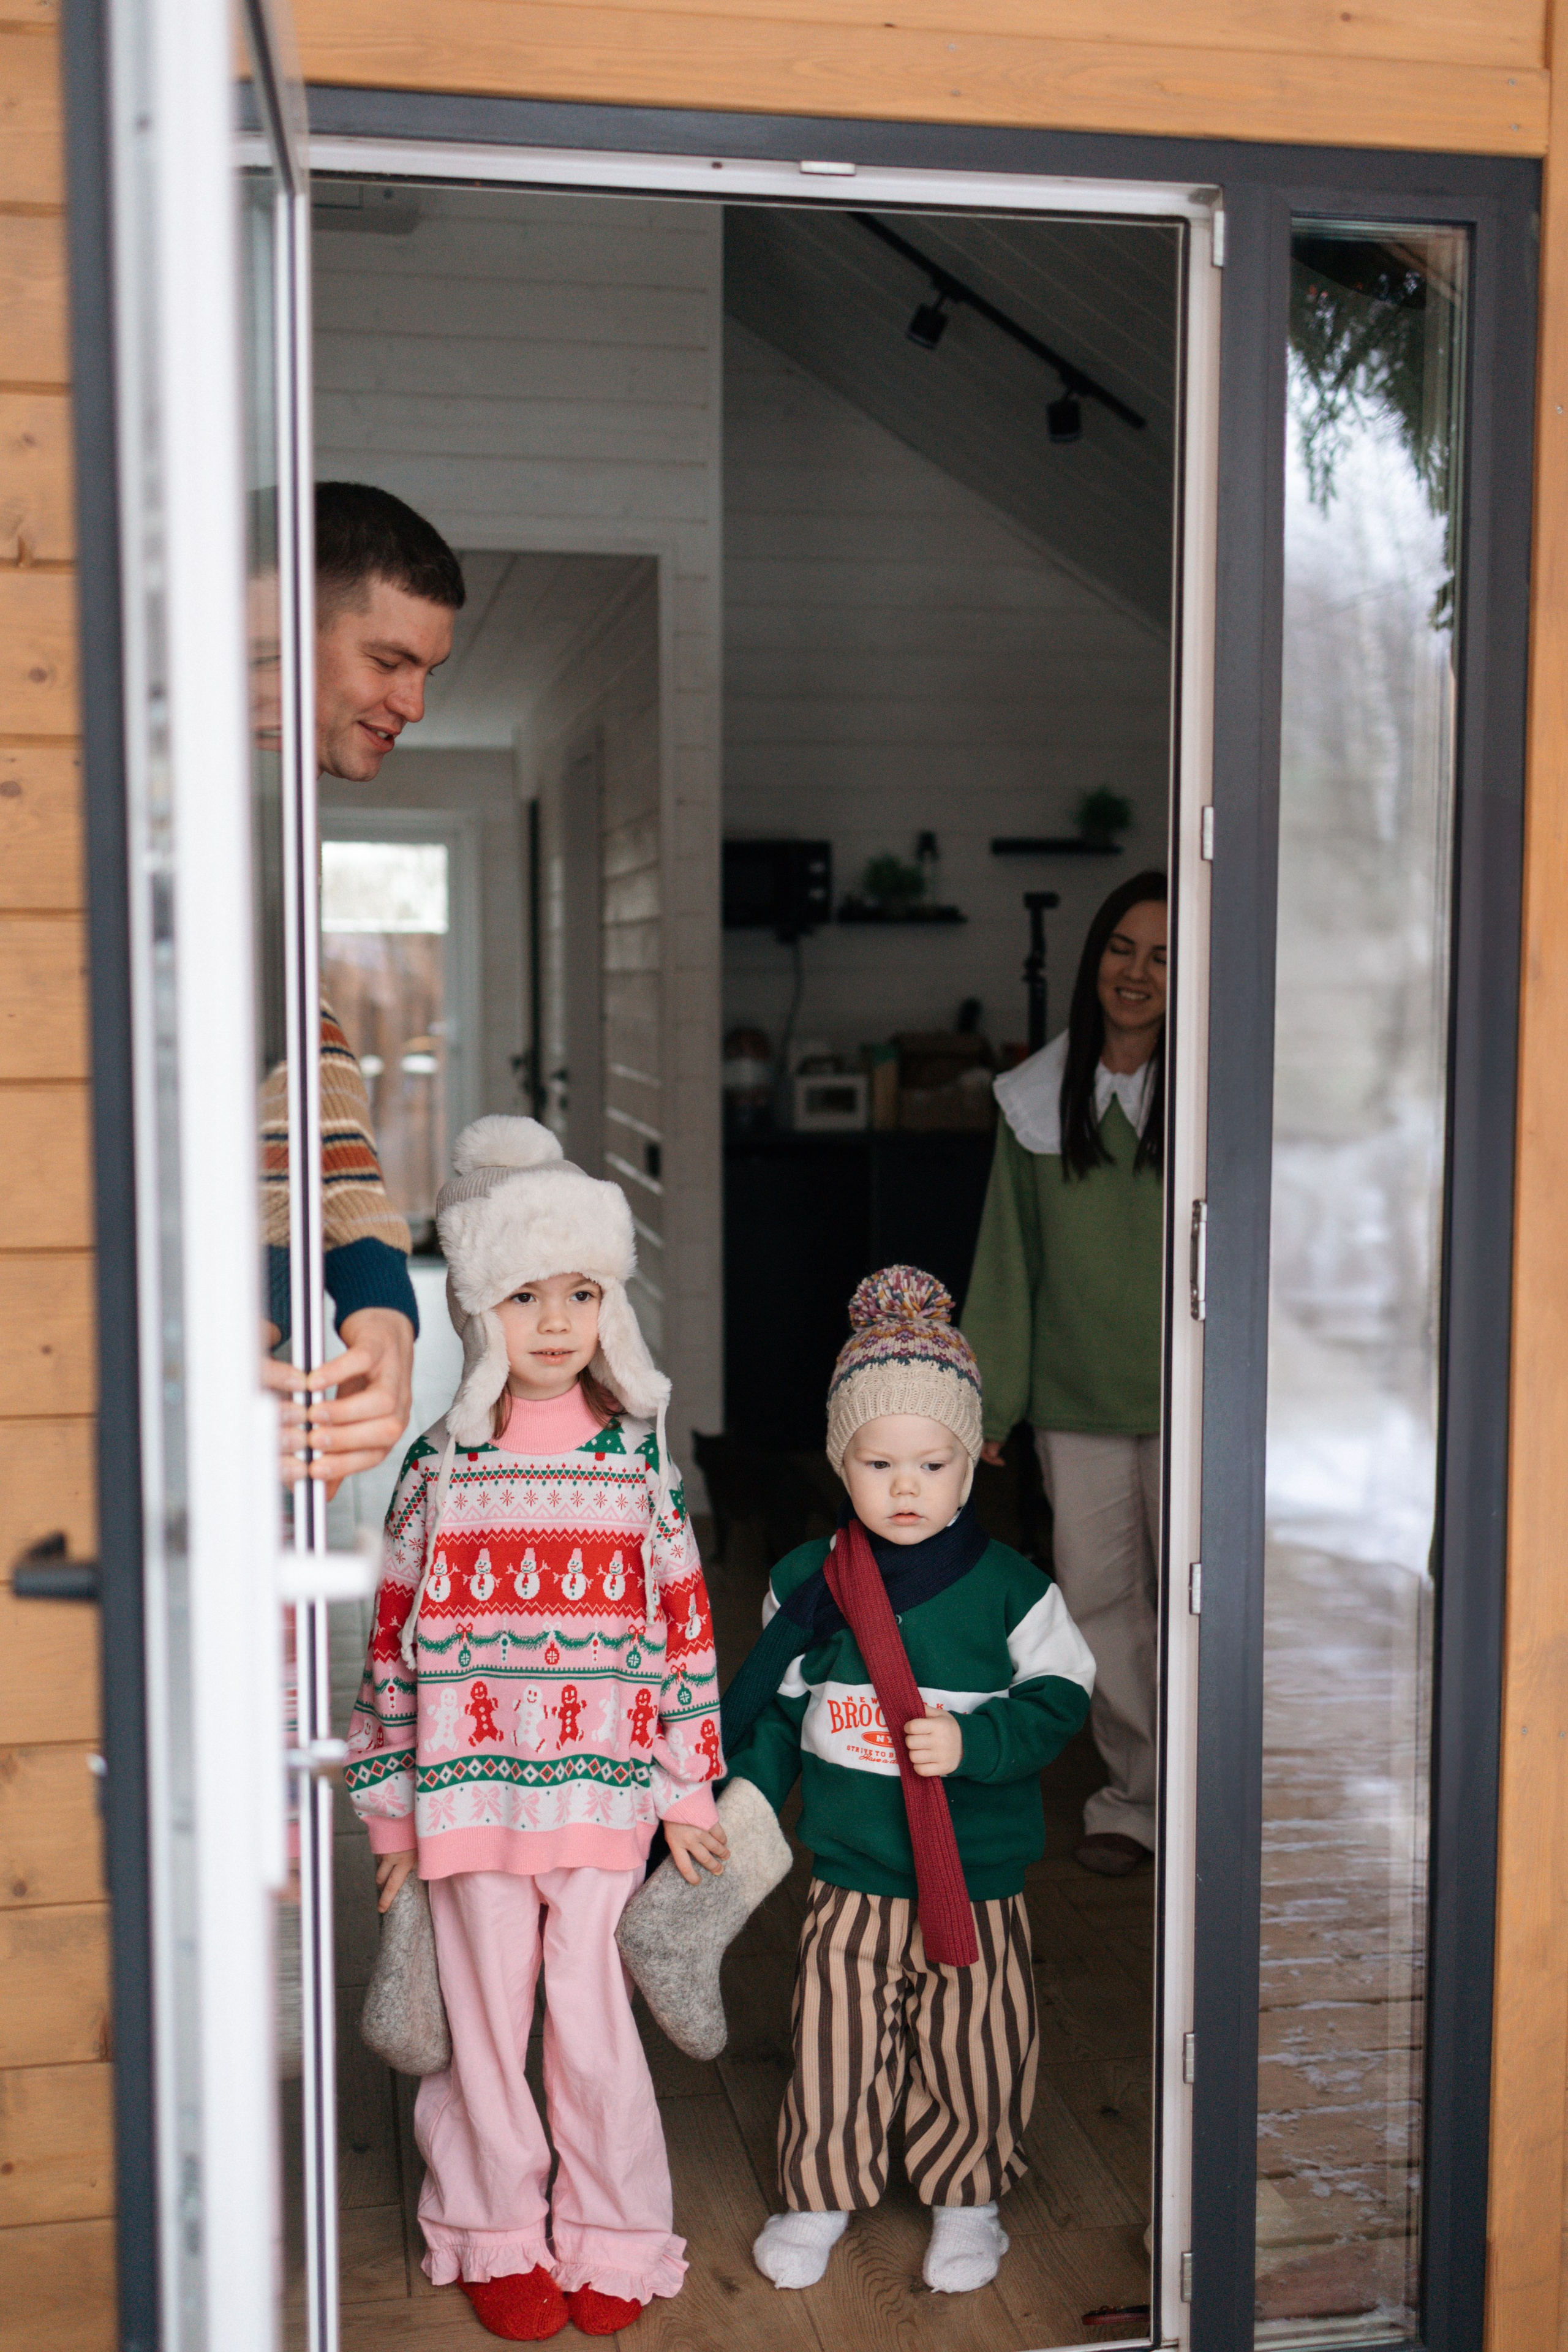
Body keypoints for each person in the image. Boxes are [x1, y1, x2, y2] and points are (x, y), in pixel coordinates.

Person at [345, 1114, 725, 2342]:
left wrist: (686, 1787)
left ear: (610, 1303)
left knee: (594, 2026)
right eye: (522, 1296)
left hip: (599, 1795)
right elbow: (392, 1644)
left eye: (578, 1293)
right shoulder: (437, 1471)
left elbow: (680, 1632)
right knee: (483, 2026)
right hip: (466, 1801)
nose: (554, 1323)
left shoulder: (635, 1464)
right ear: (473, 1309)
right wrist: (391, 1810)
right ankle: (491, 2226)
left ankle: (614, 2229)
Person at [719, 1267, 1095, 2296]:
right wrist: (740, 1801)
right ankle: (818, 2190)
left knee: (974, 2041)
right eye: (878, 1462)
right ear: (842, 1462)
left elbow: (1064, 1697)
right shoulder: (810, 1585)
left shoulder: (1013, 1591)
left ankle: (968, 2197)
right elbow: (781, 1717)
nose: (905, 1487)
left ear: (969, 1466)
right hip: (849, 1870)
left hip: (975, 1876)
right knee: (833, 2038)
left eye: (932, 1463)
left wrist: (978, 1747)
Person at [962, 871, 1167, 1879]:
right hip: (1078, 1405)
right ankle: (1135, 1801)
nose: (1137, 972)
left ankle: (1214, 1797)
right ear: (1094, 963)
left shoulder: (1218, 1089)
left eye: (1162, 955)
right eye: (1122, 949)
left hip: (1194, 1408)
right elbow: (1009, 1263)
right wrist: (990, 1400)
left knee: (1206, 1606)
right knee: (1097, 1606)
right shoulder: (1036, 1099)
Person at [262, 481, 467, 1490]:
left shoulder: (271, 827)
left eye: (426, 671)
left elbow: (311, 1106)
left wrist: (382, 1308)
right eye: (387, 661)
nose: (414, 705)